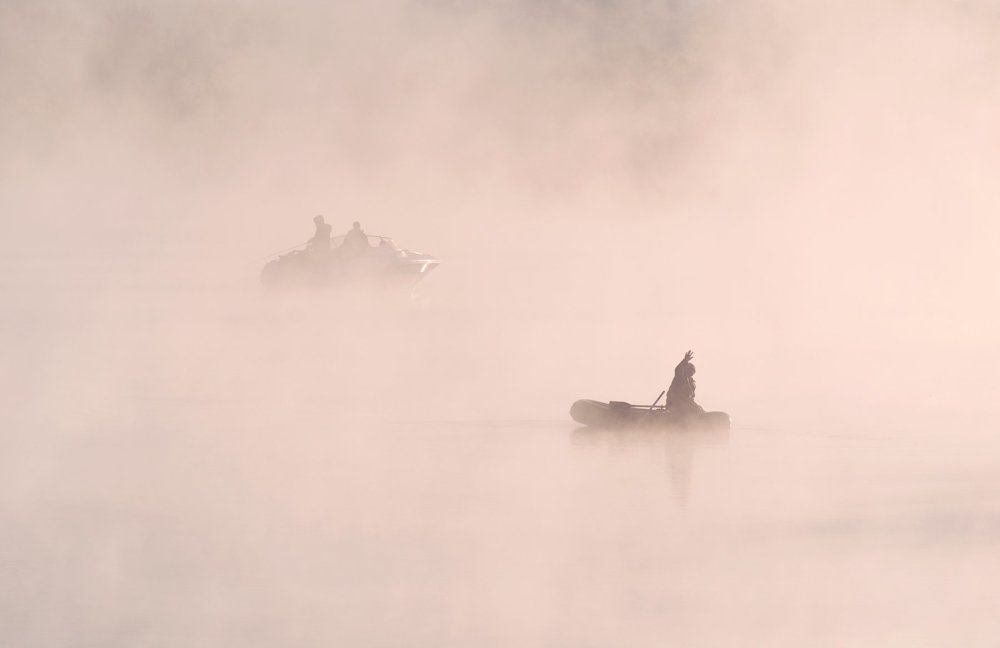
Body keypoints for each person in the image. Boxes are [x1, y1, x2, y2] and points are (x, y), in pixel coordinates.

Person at [665, 350, 705, 418]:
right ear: (686, 370)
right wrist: (685, 360)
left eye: (693, 372)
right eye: (690, 371)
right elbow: (678, 370)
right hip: (676, 404)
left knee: (699, 409)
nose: (691, 373)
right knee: (695, 410)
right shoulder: (679, 378)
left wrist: (694, 405)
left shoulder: (691, 382)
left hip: (686, 404)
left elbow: (691, 397)